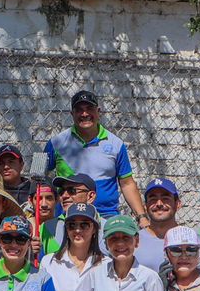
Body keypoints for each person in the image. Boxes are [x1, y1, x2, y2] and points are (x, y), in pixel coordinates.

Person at [42, 89, 144, 220]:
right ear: (72, 114)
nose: (85, 114)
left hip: (107, 216)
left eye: (89, 108)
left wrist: (142, 217)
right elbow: (37, 177)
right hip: (68, 216)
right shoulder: (55, 143)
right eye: (79, 109)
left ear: (98, 112)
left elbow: (127, 183)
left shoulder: (116, 144)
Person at [135, 177, 185, 274]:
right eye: (153, 199)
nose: (159, 204)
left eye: (165, 198)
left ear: (178, 204)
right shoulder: (133, 242)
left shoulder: (194, 242)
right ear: (145, 206)